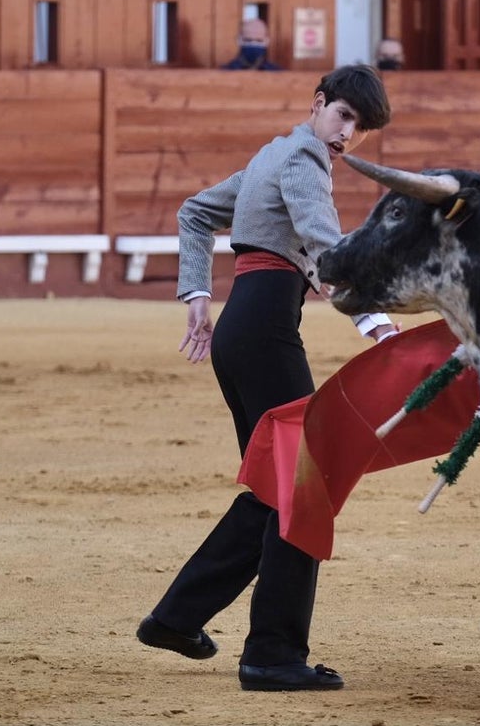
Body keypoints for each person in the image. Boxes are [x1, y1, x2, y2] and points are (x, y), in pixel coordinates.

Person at [137, 64, 397, 692]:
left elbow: (194, 212)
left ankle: (177, 618)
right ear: (319, 103)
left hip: (242, 328)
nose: (348, 135)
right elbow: (323, 245)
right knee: (303, 484)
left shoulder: (269, 156)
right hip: (265, 330)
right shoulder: (304, 161)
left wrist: (198, 292)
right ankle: (273, 654)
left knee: (275, 490)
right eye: (344, 116)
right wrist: (377, 323)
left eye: (360, 129)